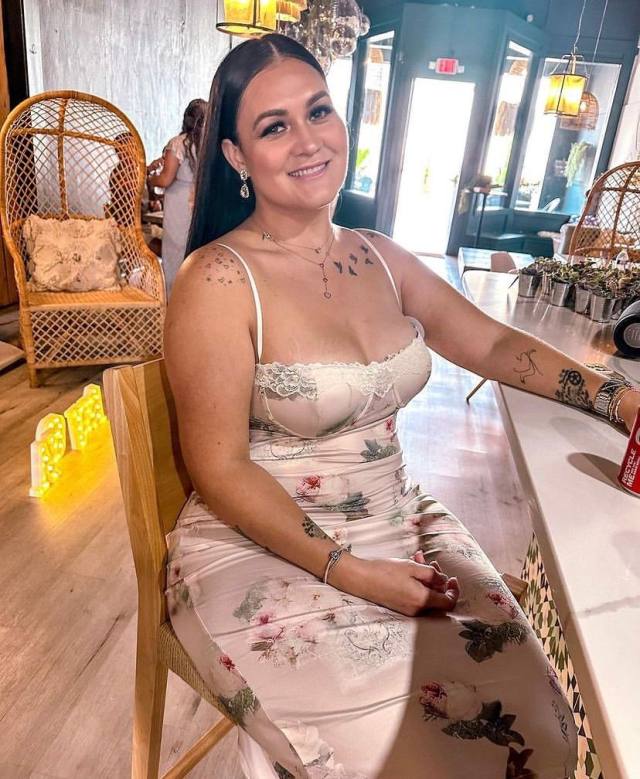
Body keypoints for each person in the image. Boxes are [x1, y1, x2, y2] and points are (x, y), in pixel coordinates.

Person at [164, 34, 639, 779]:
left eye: (318, 111)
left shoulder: (380, 256)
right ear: (234, 155)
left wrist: (620, 397)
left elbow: (490, 342)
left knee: (543, 722)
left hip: (399, 520)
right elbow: (218, 468)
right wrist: (351, 571)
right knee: (419, 755)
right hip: (260, 543)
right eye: (274, 126)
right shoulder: (218, 280)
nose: (308, 140)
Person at [147, 98, 207, 294]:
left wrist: (150, 179)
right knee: (198, 249)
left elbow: (166, 179)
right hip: (201, 200)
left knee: (176, 249)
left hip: (180, 202)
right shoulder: (209, 145)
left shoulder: (179, 144)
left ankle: (175, 298)